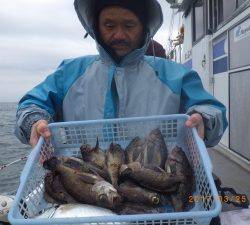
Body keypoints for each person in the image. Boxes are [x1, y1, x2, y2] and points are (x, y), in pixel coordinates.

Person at [15, 0, 228, 148]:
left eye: (129, 25)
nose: (119, 34)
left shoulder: (176, 75)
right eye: (109, 25)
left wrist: (204, 120)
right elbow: (33, 104)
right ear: (96, 27)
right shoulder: (69, 72)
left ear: (144, 27)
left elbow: (210, 109)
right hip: (86, 177)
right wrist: (34, 122)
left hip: (155, 179)